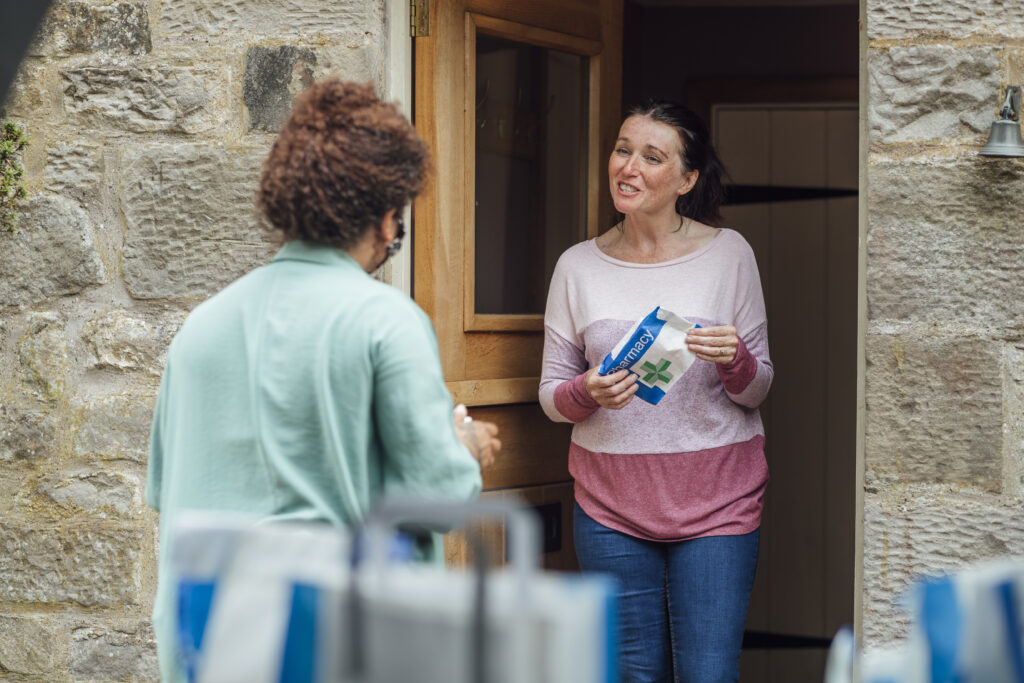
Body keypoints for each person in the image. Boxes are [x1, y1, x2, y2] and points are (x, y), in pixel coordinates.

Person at [145, 79, 501, 681]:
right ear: (389, 220)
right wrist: (462, 449)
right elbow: (436, 499)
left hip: (206, 648)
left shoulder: (199, 329)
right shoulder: (386, 321)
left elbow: (166, 492)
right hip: (335, 646)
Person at [539, 99, 772, 683]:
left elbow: (758, 388)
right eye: (623, 150)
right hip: (610, 507)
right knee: (631, 674)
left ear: (687, 179)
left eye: (651, 156)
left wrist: (735, 361)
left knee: (709, 674)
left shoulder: (730, 255)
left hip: (718, 503)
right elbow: (550, 394)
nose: (629, 167)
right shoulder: (577, 267)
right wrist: (587, 391)